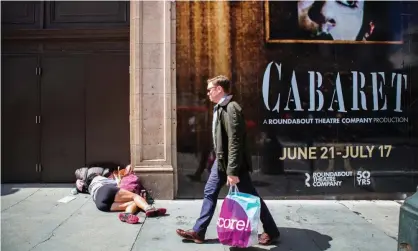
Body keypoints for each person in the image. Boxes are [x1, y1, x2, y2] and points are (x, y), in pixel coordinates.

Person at [176, 75, 280, 245]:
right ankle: (199, 232)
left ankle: (271, 231)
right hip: (221, 161)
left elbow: (235, 142)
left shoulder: (231, 108)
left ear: (219, 89)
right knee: (210, 192)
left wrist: (232, 171)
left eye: (210, 89)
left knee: (251, 196)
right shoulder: (220, 107)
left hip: (234, 164)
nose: (207, 93)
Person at [83, 173, 167, 224]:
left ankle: (127, 214)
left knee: (133, 203)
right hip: (105, 190)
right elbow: (117, 183)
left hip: (100, 203)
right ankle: (148, 208)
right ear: (96, 175)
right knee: (135, 197)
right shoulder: (98, 178)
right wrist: (119, 179)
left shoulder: (91, 188)